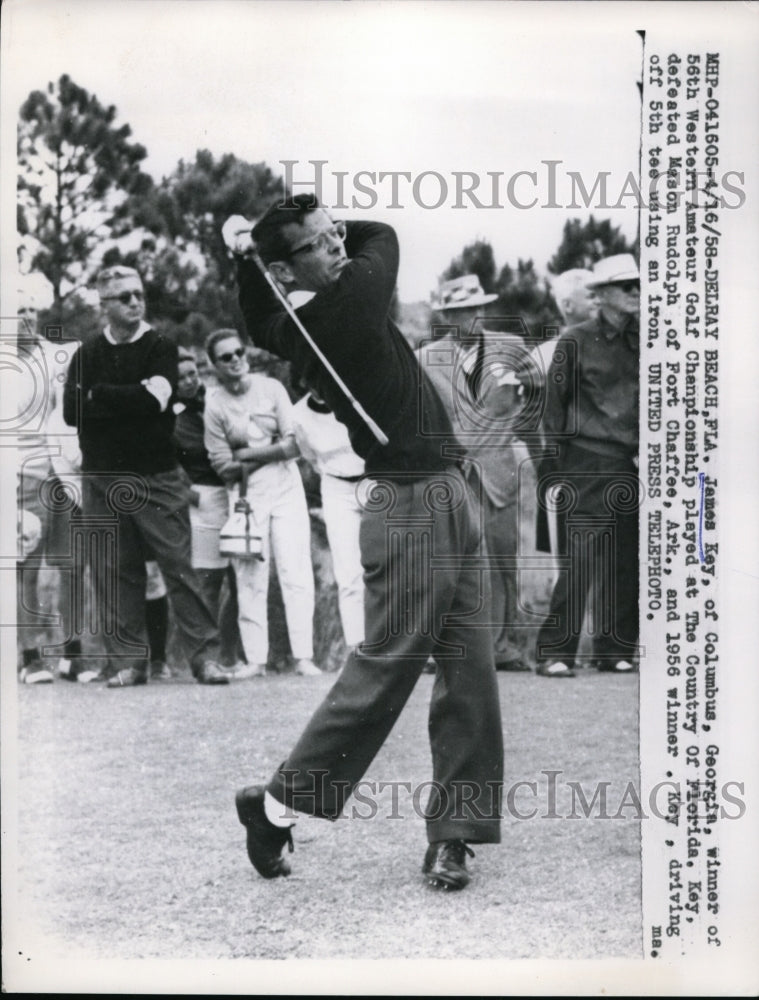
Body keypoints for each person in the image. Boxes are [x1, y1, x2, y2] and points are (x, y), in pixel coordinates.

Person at [222, 195, 503, 891]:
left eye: (332, 235)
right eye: (317, 246)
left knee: (470, 670)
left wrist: (244, 263)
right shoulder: (341, 308)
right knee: (388, 663)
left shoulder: (290, 318)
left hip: (447, 488)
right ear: (288, 273)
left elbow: (260, 310)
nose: (339, 248)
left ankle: (455, 835)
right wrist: (266, 254)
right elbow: (386, 233)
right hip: (410, 503)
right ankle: (279, 806)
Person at [62, 265, 229, 687]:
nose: (136, 302)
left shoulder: (161, 347)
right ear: (104, 305)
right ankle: (128, 663)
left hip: (157, 477)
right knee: (116, 571)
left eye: (138, 294)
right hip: (101, 478)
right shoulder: (86, 354)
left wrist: (98, 395)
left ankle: (205, 658)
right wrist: (130, 398)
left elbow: (156, 400)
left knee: (180, 568)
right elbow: (70, 411)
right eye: (124, 297)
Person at [534, 254, 640, 678]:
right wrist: (557, 469)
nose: (636, 292)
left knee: (625, 557)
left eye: (637, 285)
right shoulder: (574, 340)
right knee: (581, 558)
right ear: (601, 295)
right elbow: (553, 409)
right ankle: (554, 652)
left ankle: (613, 649)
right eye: (625, 286)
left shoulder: (648, 338)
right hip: (586, 462)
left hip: (629, 463)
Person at [420, 275, 530, 672]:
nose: (473, 317)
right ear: (448, 316)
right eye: (463, 311)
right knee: (448, 566)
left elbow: (534, 399)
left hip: (500, 472)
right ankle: (446, 646)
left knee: (503, 560)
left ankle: (502, 646)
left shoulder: (514, 348)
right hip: (453, 475)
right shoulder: (427, 358)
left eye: (477, 308)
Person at [202, 329, 320, 678]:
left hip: (285, 486)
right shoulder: (215, 404)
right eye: (226, 356)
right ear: (215, 365)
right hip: (245, 495)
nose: (236, 360)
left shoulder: (271, 388)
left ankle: (304, 656)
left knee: (294, 569)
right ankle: (255, 659)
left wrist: (248, 452)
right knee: (250, 575)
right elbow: (223, 465)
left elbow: (293, 447)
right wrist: (269, 451)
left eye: (239, 351)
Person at [14, 280, 96, 683]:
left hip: (63, 473)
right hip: (18, 477)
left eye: (30, 310)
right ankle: (29, 656)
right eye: (16, 311)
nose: (25, 318)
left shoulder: (60, 356)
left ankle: (73, 653)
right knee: (24, 569)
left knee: (72, 565)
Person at [173, 349, 245, 670]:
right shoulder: (169, 416)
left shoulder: (217, 400)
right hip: (203, 498)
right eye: (181, 377)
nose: (190, 381)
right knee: (208, 580)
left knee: (241, 576)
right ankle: (203, 655)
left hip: (238, 491)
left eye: (193, 373)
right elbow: (165, 464)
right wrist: (190, 495)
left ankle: (231, 653)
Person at [291, 389, 365, 652]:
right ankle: (359, 648)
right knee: (348, 572)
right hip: (336, 489)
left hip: (375, 480)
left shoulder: (354, 396)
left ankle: (404, 646)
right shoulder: (298, 414)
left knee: (388, 564)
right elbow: (311, 457)